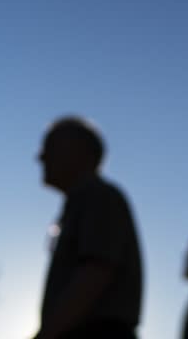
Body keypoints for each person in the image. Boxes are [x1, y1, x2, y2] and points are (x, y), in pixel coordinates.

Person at [34, 116, 143, 339]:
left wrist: (46, 334)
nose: (40, 156)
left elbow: (96, 272)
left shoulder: (98, 196)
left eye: (50, 147)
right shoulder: (84, 201)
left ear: (78, 151)